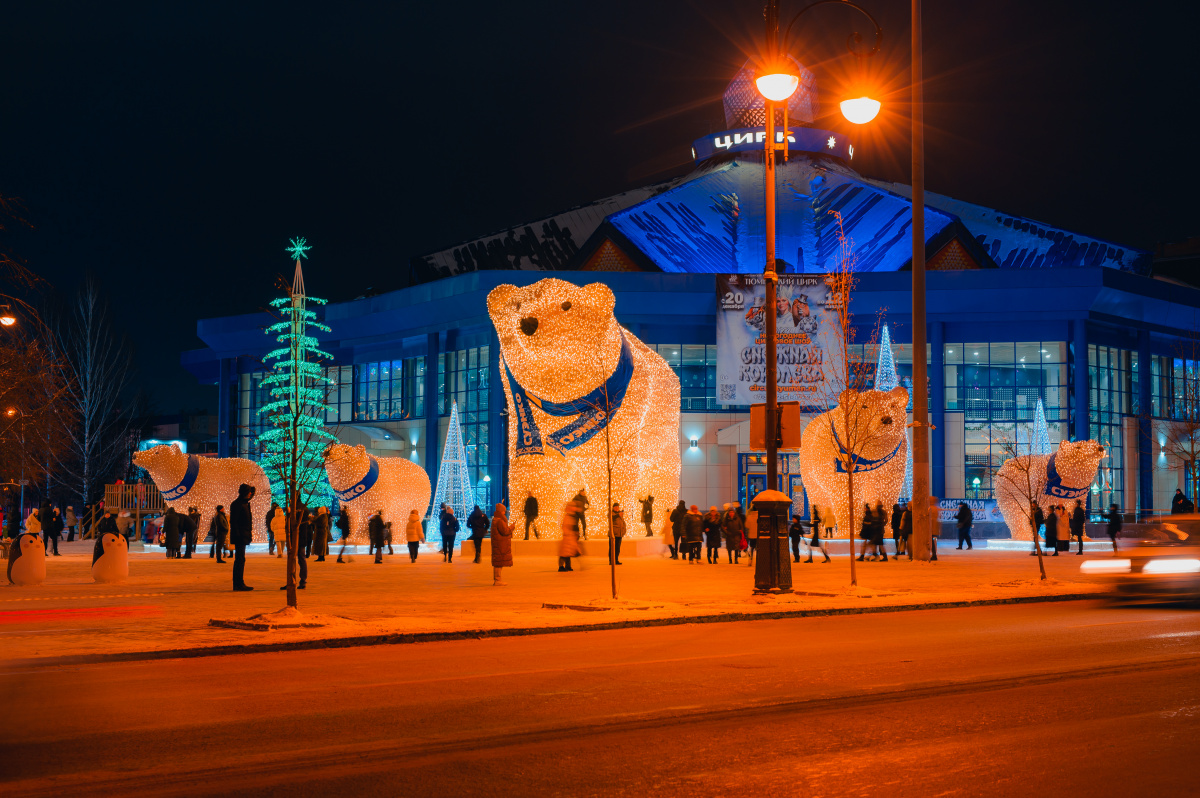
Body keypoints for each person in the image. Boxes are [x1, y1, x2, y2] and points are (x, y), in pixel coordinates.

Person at [229, 485, 254, 591]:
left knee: (240, 559)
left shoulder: (245, 503)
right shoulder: (238, 504)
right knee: (239, 559)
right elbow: (234, 521)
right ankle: (238, 583)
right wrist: (238, 534)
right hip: (240, 535)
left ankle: (239, 583)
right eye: (249, 492)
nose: (250, 494)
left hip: (243, 534)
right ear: (244, 492)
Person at [491, 503, 513, 584]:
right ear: (501, 512)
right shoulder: (499, 521)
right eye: (503, 511)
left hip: (498, 543)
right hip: (500, 544)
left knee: (498, 562)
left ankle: (497, 579)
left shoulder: (495, 519)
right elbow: (505, 531)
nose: (504, 513)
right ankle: (497, 580)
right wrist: (511, 527)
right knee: (498, 563)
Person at [558, 498, 582, 572]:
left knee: (568, 553)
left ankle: (568, 566)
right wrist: (570, 534)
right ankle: (561, 566)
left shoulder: (572, 516)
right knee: (565, 553)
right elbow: (565, 526)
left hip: (570, 537)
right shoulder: (568, 516)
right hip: (568, 537)